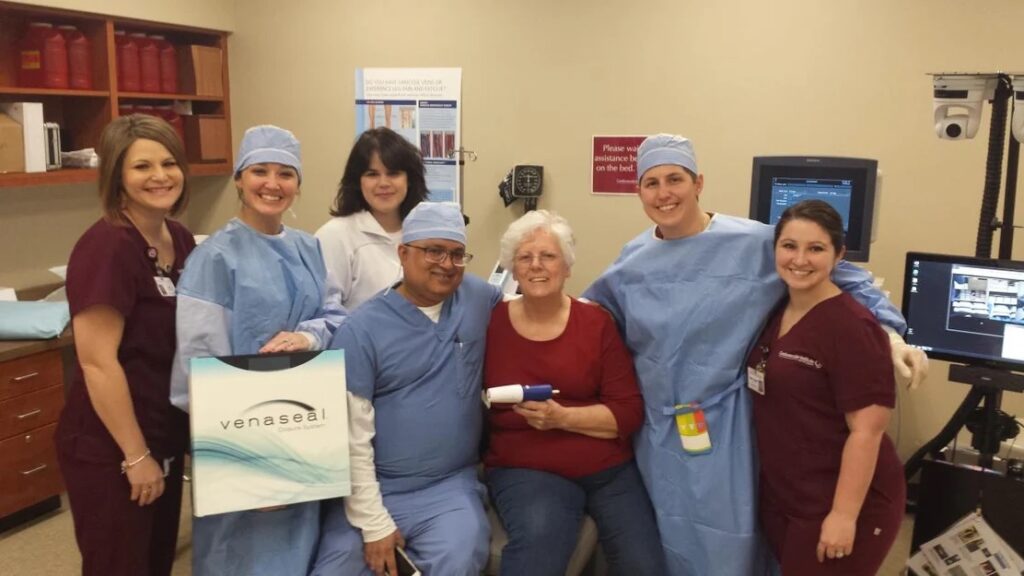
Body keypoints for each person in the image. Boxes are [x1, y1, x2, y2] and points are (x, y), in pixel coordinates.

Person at [583, 133, 926, 575]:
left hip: (728, 427)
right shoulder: (633, 260)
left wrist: (892, 333)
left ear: (698, 182)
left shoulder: (754, 243)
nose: (664, 193)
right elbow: (593, 315)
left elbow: (847, 279)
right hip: (660, 431)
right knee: (669, 536)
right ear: (639, 192)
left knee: (733, 542)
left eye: (675, 179)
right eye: (652, 183)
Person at [169, 125, 346, 576]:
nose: (273, 183)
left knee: (301, 547)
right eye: (260, 171)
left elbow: (333, 315)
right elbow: (199, 365)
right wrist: (253, 469)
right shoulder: (214, 258)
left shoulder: (308, 247)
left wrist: (307, 337)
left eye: (285, 173)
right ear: (239, 180)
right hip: (240, 437)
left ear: (299, 184)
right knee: (242, 554)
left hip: (302, 426)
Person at [312, 202, 501, 576]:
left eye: (457, 254)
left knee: (460, 558)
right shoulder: (362, 331)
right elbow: (350, 439)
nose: (446, 264)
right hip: (377, 487)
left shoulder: (477, 298)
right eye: (433, 250)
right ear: (403, 253)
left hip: (449, 488)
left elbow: (536, 309)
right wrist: (374, 523)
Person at [483, 210, 667, 576]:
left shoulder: (595, 323)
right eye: (525, 257)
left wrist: (561, 417)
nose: (537, 266)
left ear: (567, 267)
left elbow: (627, 413)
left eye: (548, 256)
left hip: (608, 470)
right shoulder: (490, 323)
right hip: (527, 468)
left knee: (645, 564)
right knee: (538, 551)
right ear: (512, 269)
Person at [55, 114, 194, 576]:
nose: (160, 176)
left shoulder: (179, 238)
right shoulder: (108, 247)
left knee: (154, 563)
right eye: (142, 167)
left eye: (169, 162)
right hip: (112, 447)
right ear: (116, 173)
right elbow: (96, 363)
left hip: (163, 435)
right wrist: (136, 456)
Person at [747, 200, 904, 575]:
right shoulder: (777, 309)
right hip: (789, 495)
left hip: (844, 501)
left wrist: (843, 515)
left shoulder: (852, 328)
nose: (799, 259)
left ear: (838, 255)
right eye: (789, 246)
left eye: (816, 248)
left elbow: (867, 431)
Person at [316, 127, 429, 309]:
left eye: (393, 173)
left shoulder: (425, 233)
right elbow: (323, 314)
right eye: (372, 174)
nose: (384, 183)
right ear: (357, 181)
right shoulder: (335, 236)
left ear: (409, 179)